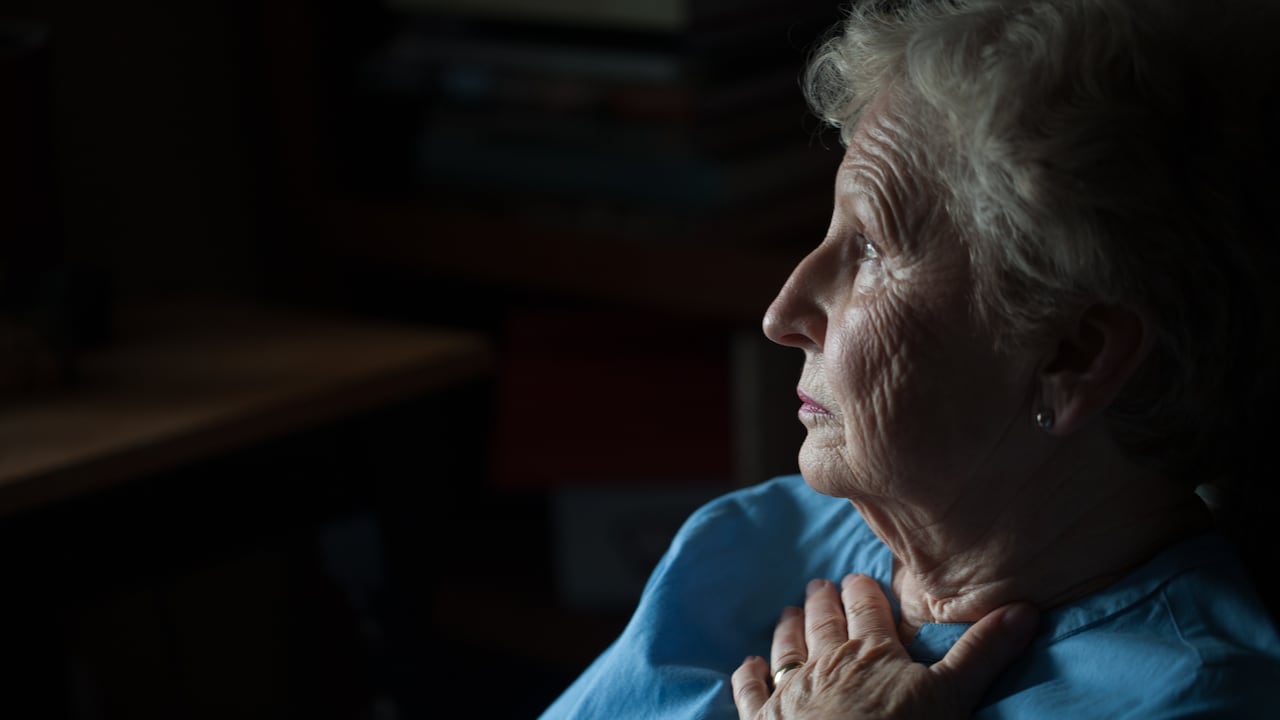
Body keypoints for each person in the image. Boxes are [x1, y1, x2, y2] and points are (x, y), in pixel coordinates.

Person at [537, 0, 1280, 717]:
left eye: (868, 249)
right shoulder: (748, 541)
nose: (782, 315)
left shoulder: (1196, 697)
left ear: (1072, 356)